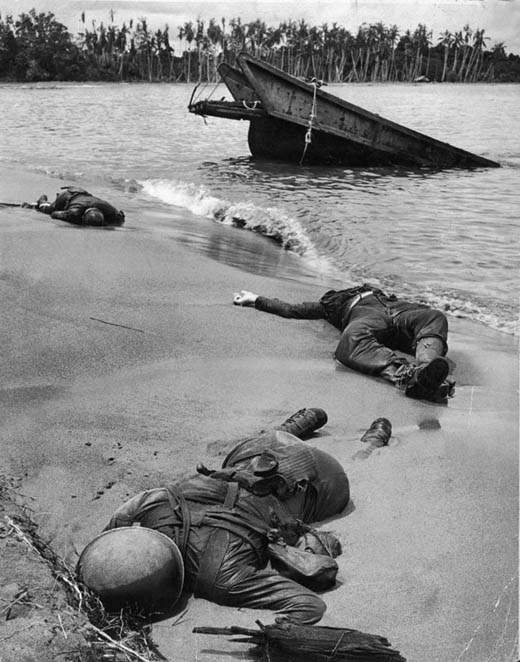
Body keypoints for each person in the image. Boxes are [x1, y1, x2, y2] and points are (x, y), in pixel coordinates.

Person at [78, 408, 350, 625]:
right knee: (247, 463)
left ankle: (313, 436)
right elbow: (119, 523)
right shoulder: (153, 508)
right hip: (251, 453)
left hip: (325, 481)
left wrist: (278, 632)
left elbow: (309, 605)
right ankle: (289, 431)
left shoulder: (222, 578)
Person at [233, 285, 455, 402]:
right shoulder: (329, 305)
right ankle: (409, 377)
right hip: (364, 316)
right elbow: (291, 310)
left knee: (435, 317)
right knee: (350, 340)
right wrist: (256, 299)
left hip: (398, 310)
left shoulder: (380, 294)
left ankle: (428, 367)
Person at [26, 186, 125, 226]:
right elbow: (54, 214)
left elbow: (120, 217)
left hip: (81, 193)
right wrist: (70, 217)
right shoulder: (74, 212)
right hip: (67, 196)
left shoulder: (109, 210)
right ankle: (41, 200)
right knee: (48, 209)